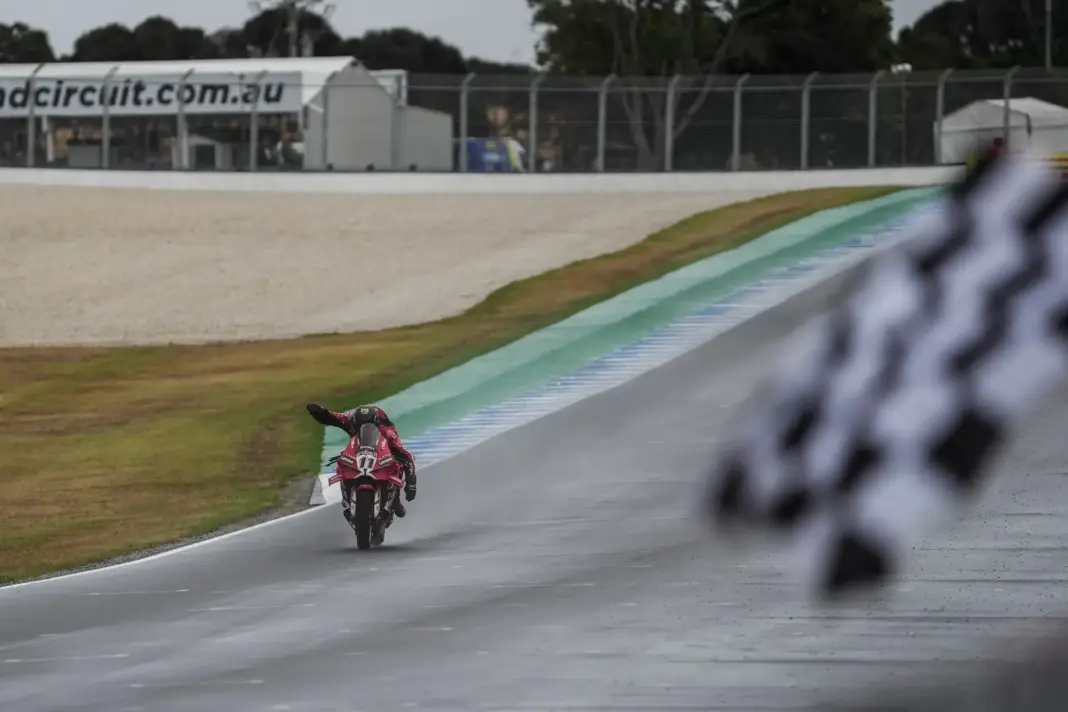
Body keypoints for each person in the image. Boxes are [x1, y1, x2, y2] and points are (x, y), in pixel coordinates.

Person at [306, 403, 417, 521]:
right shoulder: (350, 420)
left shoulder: (388, 431)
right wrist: (317, 411)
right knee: (342, 464)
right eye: (358, 426)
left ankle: (395, 501)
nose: (361, 428)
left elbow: (406, 456)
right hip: (359, 453)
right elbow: (332, 417)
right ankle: (347, 496)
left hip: (383, 454)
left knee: (397, 466)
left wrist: (411, 483)